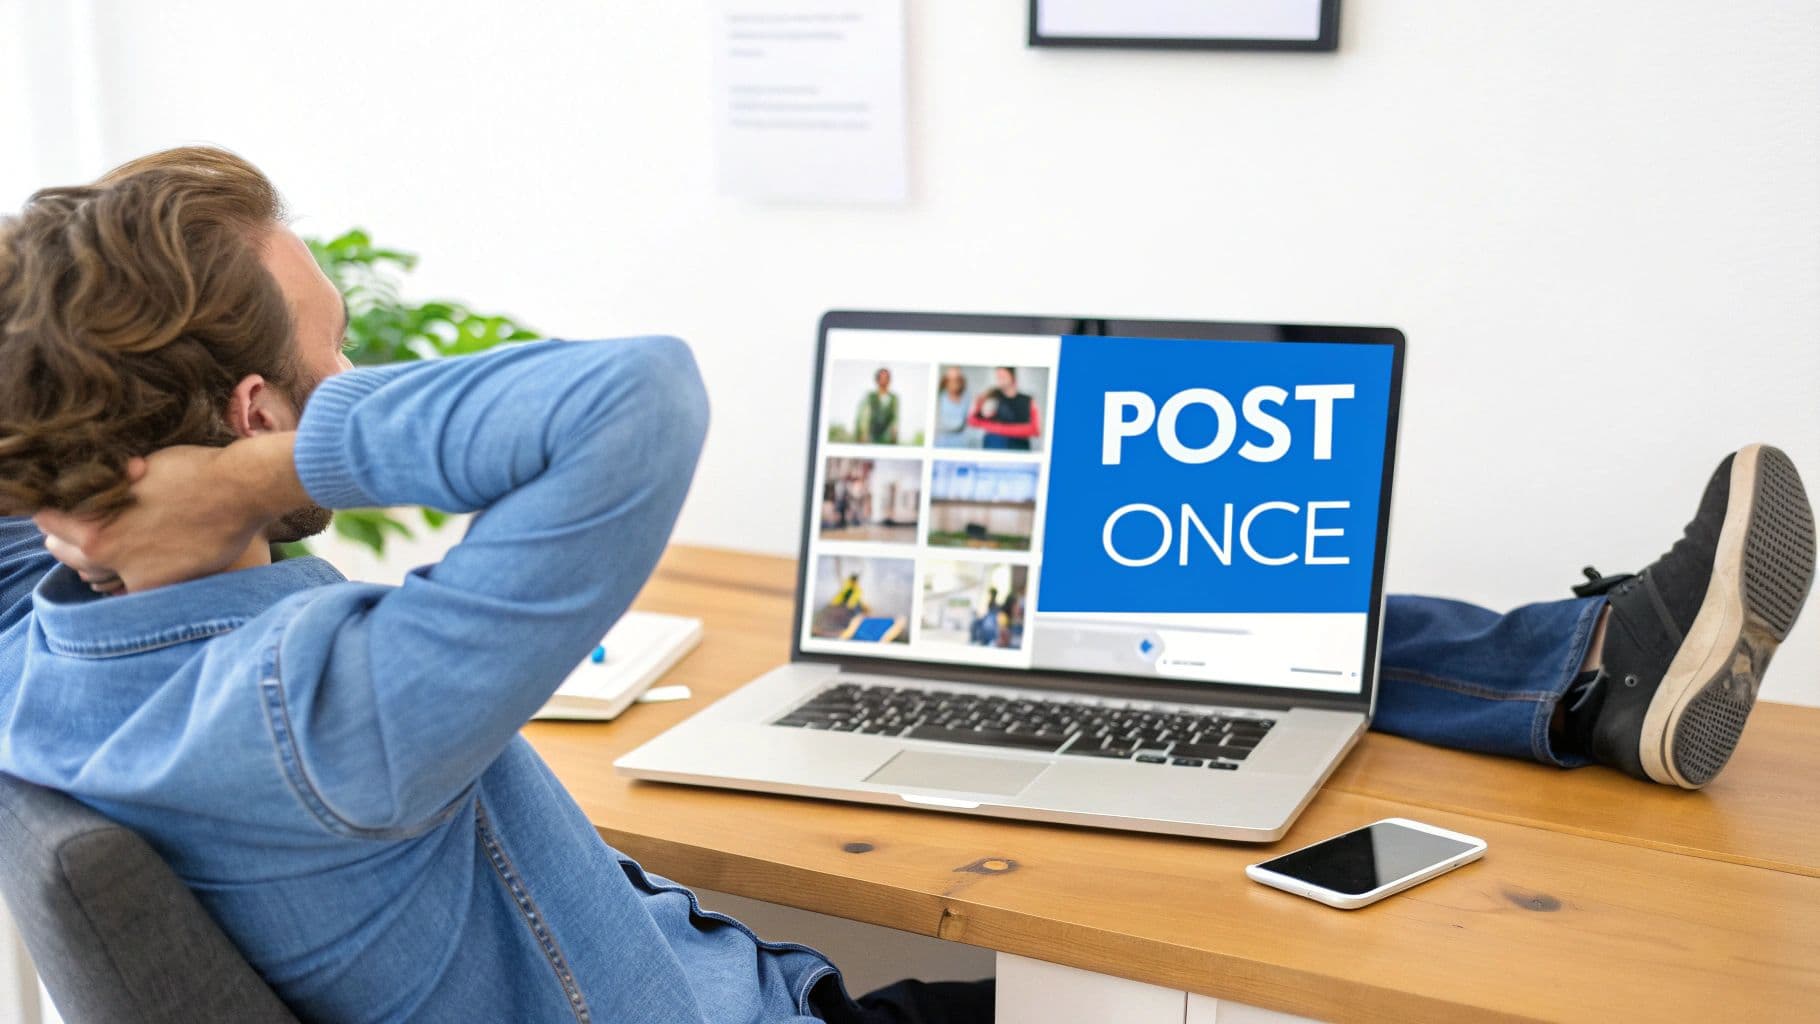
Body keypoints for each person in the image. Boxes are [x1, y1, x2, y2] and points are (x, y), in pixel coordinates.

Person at [0, 149, 1813, 1024]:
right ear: (252, 421)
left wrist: (125, 430)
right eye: (337, 370)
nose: (359, 391)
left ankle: (1576, 674)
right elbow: (631, 401)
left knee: (1111, 610)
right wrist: (285, 452)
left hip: (713, 963)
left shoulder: (37, 640)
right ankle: (1577, 675)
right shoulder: (324, 714)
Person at [967, 367, 1041, 451]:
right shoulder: (991, 395)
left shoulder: (1028, 400)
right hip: (994, 447)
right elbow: (972, 421)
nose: (1000, 380)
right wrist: (977, 404)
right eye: (998, 377)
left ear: (1012, 377)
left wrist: (996, 428)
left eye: (1003, 376)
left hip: (1017, 448)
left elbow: (1035, 430)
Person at [934, 366, 978, 448]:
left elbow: (971, 419)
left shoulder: (967, 397)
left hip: (963, 442)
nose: (954, 382)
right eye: (951, 379)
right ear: (946, 381)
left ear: (961, 380)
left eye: (957, 379)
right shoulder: (941, 396)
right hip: (943, 442)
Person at [853, 367, 899, 444]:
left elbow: (895, 419)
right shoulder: (870, 397)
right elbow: (864, 417)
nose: (884, 380)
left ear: (889, 380)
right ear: (877, 380)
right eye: (881, 378)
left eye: (886, 378)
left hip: (886, 439)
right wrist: (863, 434)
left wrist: (894, 435)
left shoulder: (893, 398)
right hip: (871, 438)